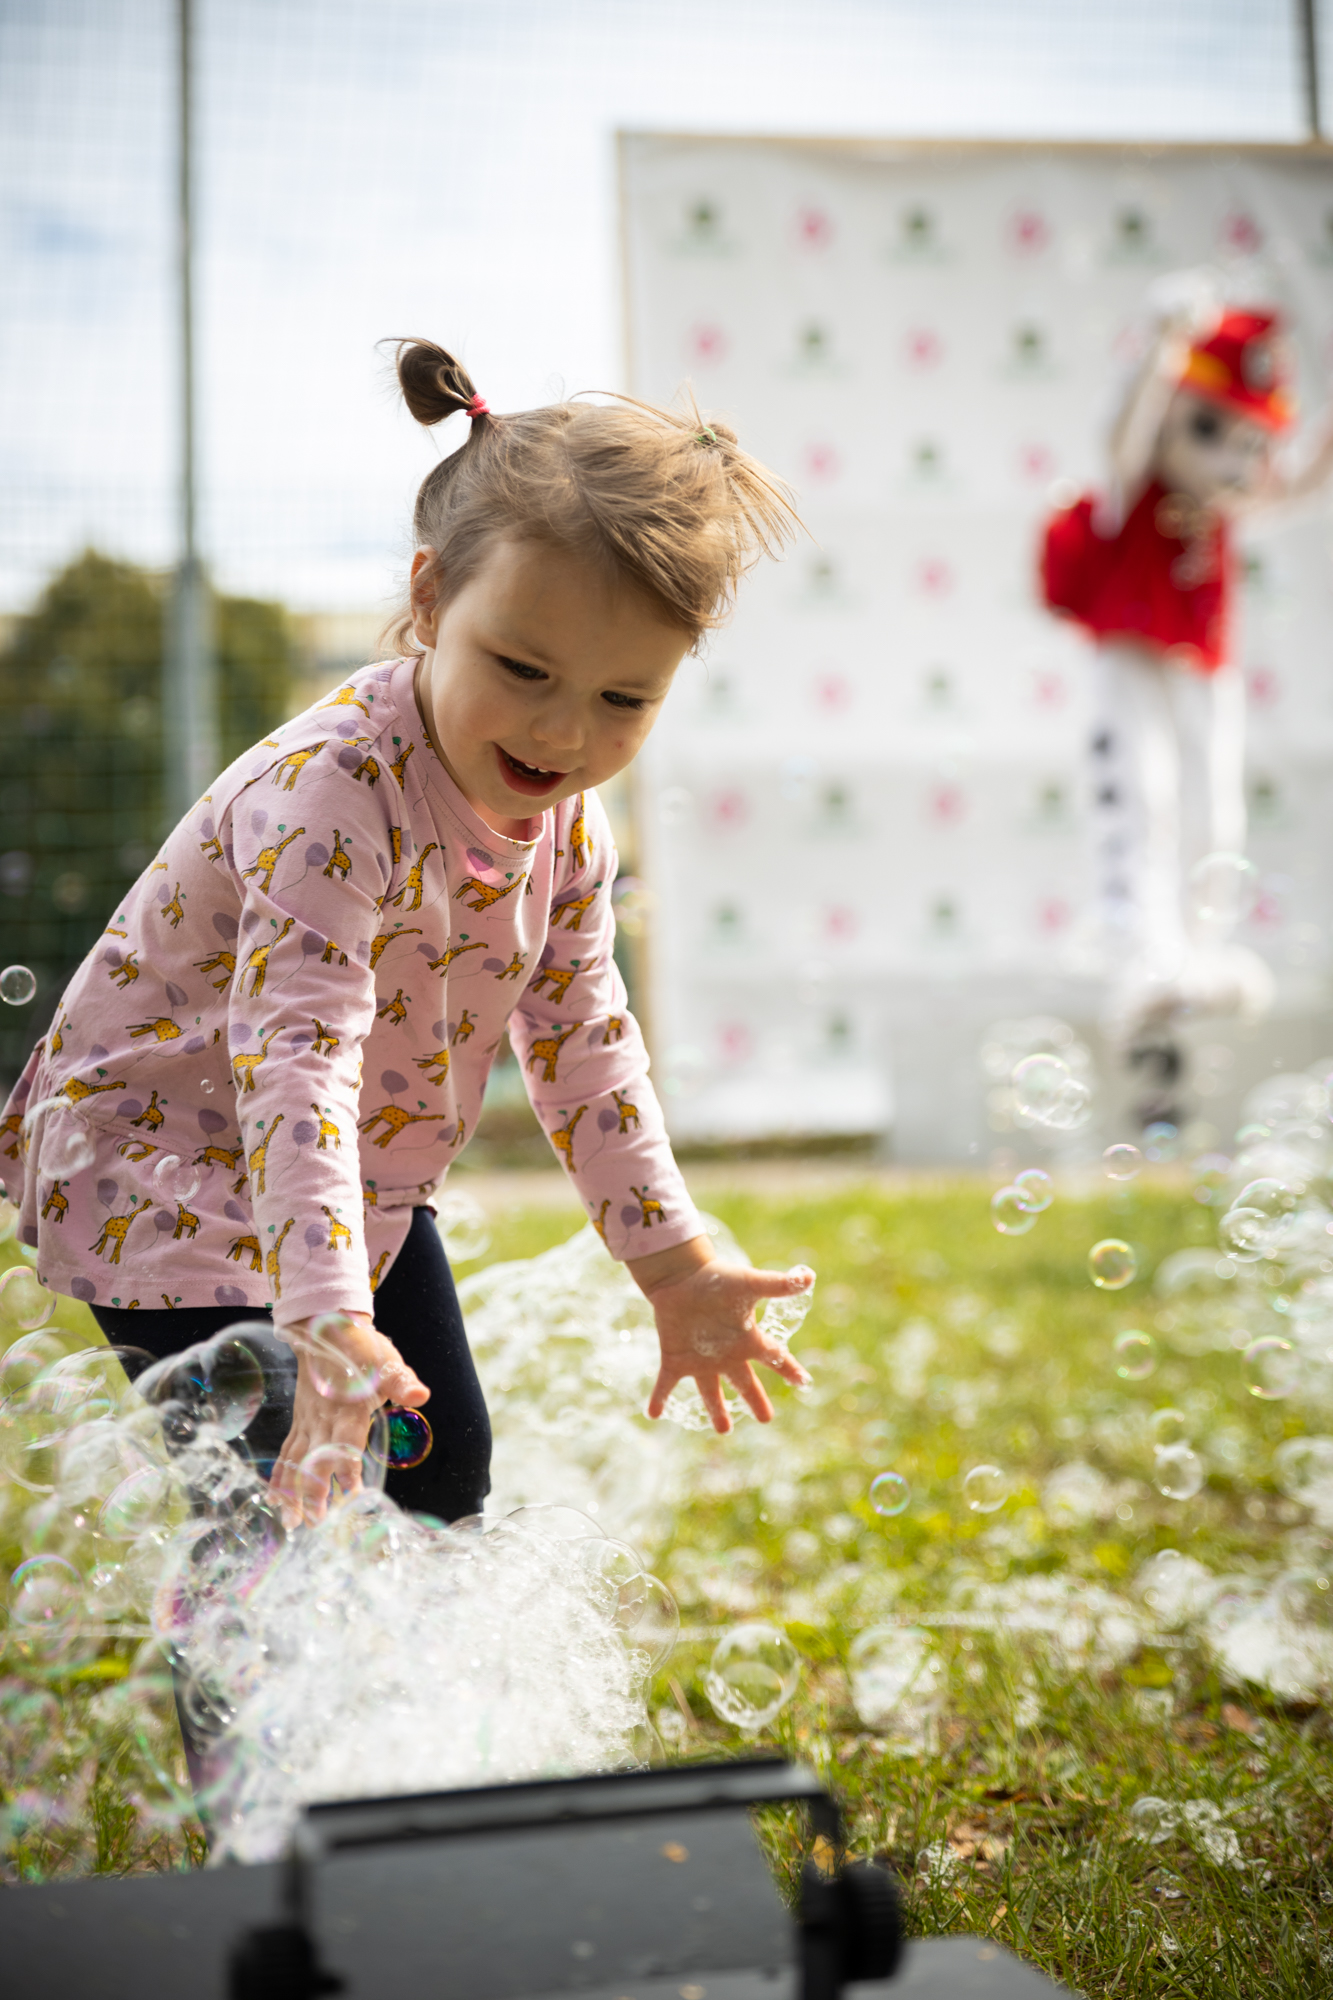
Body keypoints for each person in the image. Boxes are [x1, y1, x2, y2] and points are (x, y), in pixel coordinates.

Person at [1, 340, 814, 1531]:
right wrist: (327, 1316)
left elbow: (586, 1043)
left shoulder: (567, 829)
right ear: (430, 600)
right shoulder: (335, 794)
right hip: (164, 1169)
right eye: (523, 666)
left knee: (440, 1475)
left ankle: (410, 1721)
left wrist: (674, 1263)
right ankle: (267, 1727)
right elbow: (298, 1056)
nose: (563, 731)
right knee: (278, 1501)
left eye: (623, 698)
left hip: (344, 1178)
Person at [1040, 290, 1333, 1050]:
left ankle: (1203, 951)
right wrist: (1161, 355)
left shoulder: (1224, 508)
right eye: (1208, 427)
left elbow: (1294, 485)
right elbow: (1123, 439)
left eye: (1250, 441)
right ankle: (1144, 957)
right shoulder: (1132, 487)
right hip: (1129, 649)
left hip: (1203, 657)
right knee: (1141, 797)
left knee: (1215, 806)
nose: (1231, 461)